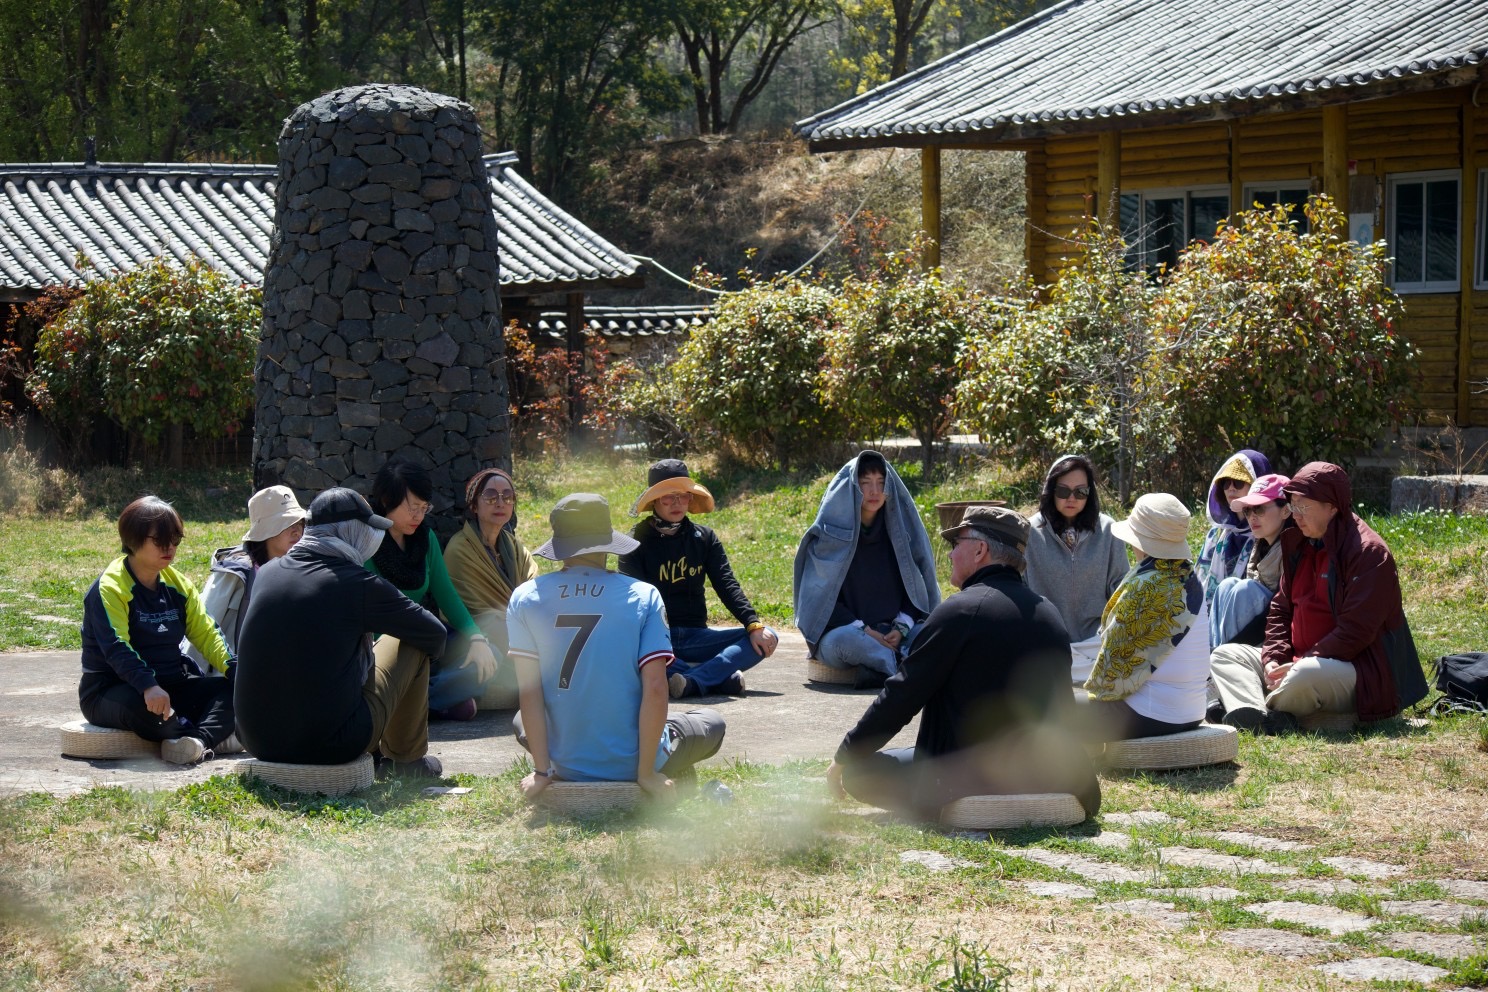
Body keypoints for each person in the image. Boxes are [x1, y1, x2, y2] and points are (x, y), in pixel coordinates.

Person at [827, 506, 1099, 821]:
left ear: (980, 550)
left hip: (967, 778)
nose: (951, 555)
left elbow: (902, 695)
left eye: (957, 544)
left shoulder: (960, 612)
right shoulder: (1049, 613)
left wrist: (847, 754)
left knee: (861, 772)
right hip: (1051, 772)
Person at [509, 493, 726, 802]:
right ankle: (658, 768)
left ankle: (547, 767)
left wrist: (542, 772)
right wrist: (646, 773)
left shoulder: (524, 597)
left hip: (565, 764)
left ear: (560, 546)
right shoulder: (643, 595)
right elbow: (654, 687)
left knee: (521, 718)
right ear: (607, 541)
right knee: (711, 723)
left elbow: (529, 691)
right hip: (632, 763)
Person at [234, 488, 448, 776]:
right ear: (353, 532)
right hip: (333, 745)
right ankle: (407, 762)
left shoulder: (269, 572)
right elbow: (434, 633)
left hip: (257, 741)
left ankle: (378, 751)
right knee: (409, 639)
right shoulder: (357, 583)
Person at [1209, 462, 1427, 732]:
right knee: (1225, 655)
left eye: (1304, 506)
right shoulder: (1299, 542)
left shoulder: (1369, 554)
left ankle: (1255, 709)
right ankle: (1265, 715)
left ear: (1332, 507)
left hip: (1353, 668)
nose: (1296, 515)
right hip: (1298, 662)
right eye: (1294, 505)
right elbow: (1280, 610)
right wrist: (1274, 658)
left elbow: (1355, 632)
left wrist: (1301, 662)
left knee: (1305, 674)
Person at [78, 496, 236, 765]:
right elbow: (116, 647)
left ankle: (197, 741)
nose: (170, 547)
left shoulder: (178, 584)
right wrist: (148, 686)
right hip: (113, 689)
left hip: (171, 686)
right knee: (150, 713)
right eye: (159, 540)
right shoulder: (110, 586)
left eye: (175, 538)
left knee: (234, 690)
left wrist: (234, 669)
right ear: (133, 538)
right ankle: (207, 734)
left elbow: (207, 633)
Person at [618, 459, 777, 699]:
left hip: (697, 637)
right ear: (653, 501)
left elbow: (727, 584)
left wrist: (753, 624)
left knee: (768, 637)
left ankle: (693, 680)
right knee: (631, 653)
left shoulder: (704, 538)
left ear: (691, 498)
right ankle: (719, 677)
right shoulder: (633, 542)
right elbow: (632, 604)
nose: (677, 503)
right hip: (657, 639)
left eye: (683, 496)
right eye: (667, 497)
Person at [367, 457, 499, 721]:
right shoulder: (366, 541)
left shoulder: (425, 539)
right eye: (411, 508)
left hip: (422, 638)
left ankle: (415, 703)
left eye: (423, 507)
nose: (418, 516)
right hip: (380, 647)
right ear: (385, 500)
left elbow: (447, 596)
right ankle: (435, 701)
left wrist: (475, 637)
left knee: (490, 656)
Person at [794, 450, 940, 689]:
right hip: (849, 634)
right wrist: (866, 631)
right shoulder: (829, 538)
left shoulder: (898, 534)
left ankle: (885, 667)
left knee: (933, 635)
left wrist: (902, 627)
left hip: (895, 632)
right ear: (852, 487)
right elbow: (820, 601)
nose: (874, 491)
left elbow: (915, 586)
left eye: (881, 483)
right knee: (846, 641)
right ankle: (901, 668)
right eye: (865, 483)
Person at [1080, 493, 1210, 743]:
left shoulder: (1145, 588)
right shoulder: (1186, 576)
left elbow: (1111, 678)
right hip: (1192, 711)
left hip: (1150, 715)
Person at [1023, 454, 1129, 683]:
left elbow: (1121, 591)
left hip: (1096, 641)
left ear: (1090, 494)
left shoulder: (1108, 530)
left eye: (1081, 492)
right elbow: (1020, 590)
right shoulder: (1029, 532)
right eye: (1063, 491)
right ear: (1050, 490)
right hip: (1047, 642)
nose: (1071, 498)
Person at [443, 468, 539, 705]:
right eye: (491, 496)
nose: (500, 503)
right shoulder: (460, 549)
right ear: (474, 505)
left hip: (515, 630)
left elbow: (534, 590)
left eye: (507, 497)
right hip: (476, 635)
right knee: (498, 623)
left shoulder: (514, 547)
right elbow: (471, 608)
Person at [186, 485, 307, 674]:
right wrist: (192, 679)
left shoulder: (305, 568)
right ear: (265, 530)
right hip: (237, 676)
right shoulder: (235, 574)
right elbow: (204, 626)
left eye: (299, 523)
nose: (296, 531)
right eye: (287, 524)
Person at [1207, 473, 1292, 649]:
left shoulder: (1294, 549)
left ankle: (1221, 659)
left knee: (1245, 590)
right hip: (1255, 635)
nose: (1252, 517)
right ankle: (1214, 660)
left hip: (1279, 633)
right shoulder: (1259, 545)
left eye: (1259, 509)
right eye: (1247, 510)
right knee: (1226, 585)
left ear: (1286, 510)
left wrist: (1228, 648)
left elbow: (1283, 611)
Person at [1195, 450, 1273, 637]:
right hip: (1210, 622)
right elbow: (1200, 579)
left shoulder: (1267, 532)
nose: (1231, 488)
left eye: (1238, 482)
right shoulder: (1217, 533)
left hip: (1254, 624)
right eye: (1225, 483)